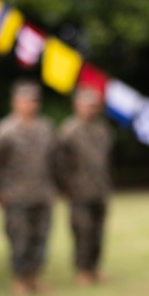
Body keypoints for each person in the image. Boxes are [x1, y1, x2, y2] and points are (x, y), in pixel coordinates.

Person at [0, 80, 58, 296]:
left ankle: (34, 277)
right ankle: (19, 279)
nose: (30, 105)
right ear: (15, 102)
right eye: (25, 100)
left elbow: (54, 160)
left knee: (41, 237)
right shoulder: (4, 130)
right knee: (19, 238)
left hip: (42, 191)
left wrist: (54, 185)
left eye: (34, 101)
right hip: (15, 194)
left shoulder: (46, 128)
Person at [56, 87, 114, 286]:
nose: (89, 109)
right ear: (77, 106)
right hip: (78, 190)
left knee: (98, 231)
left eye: (93, 106)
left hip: (100, 188)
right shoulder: (68, 130)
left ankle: (94, 268)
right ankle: (82, 269)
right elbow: (60, 162)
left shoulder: (102, 129)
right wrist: (65, 187)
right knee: (82, 231)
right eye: (85, 105)